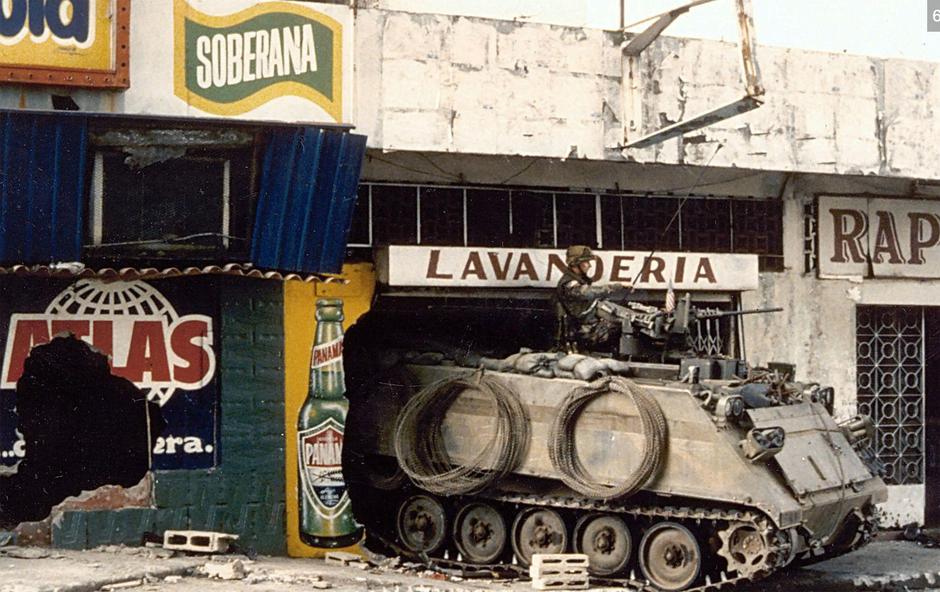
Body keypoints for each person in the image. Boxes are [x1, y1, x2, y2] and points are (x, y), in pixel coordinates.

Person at [555, 245, 630, 351]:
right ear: (576, 263)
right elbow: (590, 292)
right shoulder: (569, 283)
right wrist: (616, 286)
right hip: (585, 331)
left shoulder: (578, 280)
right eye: (586, 262)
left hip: (590, 326)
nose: (589, 266)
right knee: (626, 323)